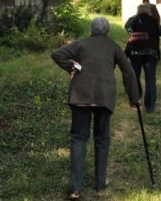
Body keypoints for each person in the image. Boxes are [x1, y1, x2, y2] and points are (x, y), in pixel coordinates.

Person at [51, 17, 140, 200]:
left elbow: (57, 54)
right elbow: (128, 71)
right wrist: (134, 98)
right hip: (103, 96)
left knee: (78, 139)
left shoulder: (81, 44)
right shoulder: (113, 46)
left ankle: (75, 189)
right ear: (107, 31)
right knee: (102, 139)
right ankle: (100, 183)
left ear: (92, 30)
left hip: (80, 96)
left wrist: (72, 67)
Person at [125, 3, 161, 112]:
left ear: (138, 10)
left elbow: (127, 27)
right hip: (151, 54)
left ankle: (136, 98)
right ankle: (150, 106)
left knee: (135, 76)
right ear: (148, 11)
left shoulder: (132, 19)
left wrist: (133, 34)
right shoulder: (154, 21)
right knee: (150, 79)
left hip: (135, 53)